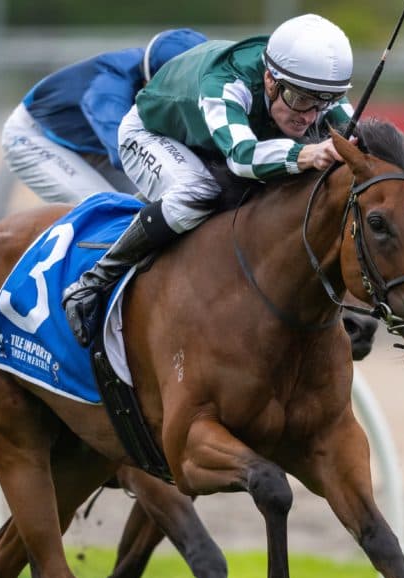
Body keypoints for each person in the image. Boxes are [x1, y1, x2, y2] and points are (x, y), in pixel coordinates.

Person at [62, 13, 355, 347]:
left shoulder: (310, 84)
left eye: (323, 103)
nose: (310, 116)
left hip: (212, 138)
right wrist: (307, 154)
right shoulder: (227, 84)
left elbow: (357, 135)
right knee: (198, 191)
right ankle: (93, 281)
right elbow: (243, 157)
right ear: (271, 80)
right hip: (152, 133)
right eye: (301, 101)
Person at [1, 28, 207, 206]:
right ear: (150, 82)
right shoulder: (109, 88)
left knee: (151, 202)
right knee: (107, 213)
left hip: (95, 145)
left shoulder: (157, 69)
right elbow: (124, 151)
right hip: (34, 137)